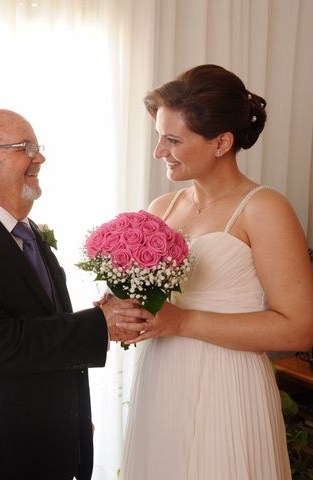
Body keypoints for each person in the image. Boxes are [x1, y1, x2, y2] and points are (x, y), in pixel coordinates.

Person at [0, 109, 141, 480]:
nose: (39, 158)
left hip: (46, 448)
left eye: (37, 147)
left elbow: (40, 326)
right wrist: (99, 325)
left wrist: (74, 428)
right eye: (25, 148)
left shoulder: (27, 230)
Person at [113, 64, 313, 479]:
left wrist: (181, 321)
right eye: (158, 138)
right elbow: (155, 306)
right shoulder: (160, 209)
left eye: (172, 140)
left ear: (221, 142)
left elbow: (299, 329)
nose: (159, 152)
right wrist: (126, 308)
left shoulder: (264, 209)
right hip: (163, 379)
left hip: (229, 383)